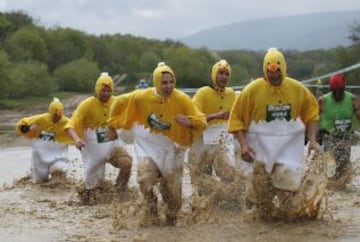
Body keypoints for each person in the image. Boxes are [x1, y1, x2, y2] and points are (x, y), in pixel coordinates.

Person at [107, 62, 206, 226]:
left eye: (171, 82)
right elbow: (117, 102)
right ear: (156, 82)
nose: (168, 87)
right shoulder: (141, 96)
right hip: (148, 145)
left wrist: (190, 122)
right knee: (145, 179)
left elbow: (201, 120)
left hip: (172, 149)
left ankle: (170, 223)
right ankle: (151, 209)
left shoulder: (181, 98)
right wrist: (111, 125)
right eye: (164, 82)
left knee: (173, 201)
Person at [227, 48, 320, 216]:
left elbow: (312, 114)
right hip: (258, 147)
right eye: (270, 73)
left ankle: (287, 228)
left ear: (283, 69)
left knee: (287, 192)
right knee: (260, 197)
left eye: (278, 72)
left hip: (288, 148)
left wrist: (312, 140)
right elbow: (236, 119)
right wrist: (243, 146)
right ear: (264, 71)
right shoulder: (251, 91)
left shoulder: (298, 89)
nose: (274, 77)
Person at [65, 72, 132, 204]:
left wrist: (119, 131)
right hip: (93, 146)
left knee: (126, 163)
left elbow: (129, 119)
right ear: (97, 90)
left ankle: (120, 191)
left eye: (109, 91)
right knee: (92, 193)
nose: (106, 94)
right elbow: (71, 124)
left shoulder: (117, 102)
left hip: (113, 144)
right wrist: (77, 139)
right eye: (103, 91)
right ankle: (87, 193)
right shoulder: (87, 105)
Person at [188, 60, 237, 197]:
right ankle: (202, 206)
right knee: (201, 178)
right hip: (200, 141)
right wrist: (217, 115)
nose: (224, 77)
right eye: (221, 73)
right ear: (214, 74)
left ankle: (227, 203)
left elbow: (237, 117)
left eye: (227, 74)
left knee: (228, 173)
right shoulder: (203, 93)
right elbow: (193, 118)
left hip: (221, 139)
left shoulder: (231, 94)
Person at [16, 98, 73, 183]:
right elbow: (21, 126)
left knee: (59, 169)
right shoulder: (39, 119)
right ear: (50, 113)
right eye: (55, 116)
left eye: (59, 116)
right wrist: (28, 128)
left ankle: (58, 187)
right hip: (39, 156)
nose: (56, 119)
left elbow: (79, 132)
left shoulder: (67, 122)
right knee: (39, 182)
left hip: (58, 155)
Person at [318, 73, 360, 179]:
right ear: (330, 88)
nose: (337, 93)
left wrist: (357, 110)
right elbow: (313, 118)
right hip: (328, 137)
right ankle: (324, 183)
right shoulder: (323, 101)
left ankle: (337, 186)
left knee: (343, 168)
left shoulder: (352, 99)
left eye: (339, 90)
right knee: (329, 161)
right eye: (334, 90)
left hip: (345, 138)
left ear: (344, 87)